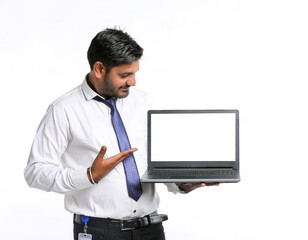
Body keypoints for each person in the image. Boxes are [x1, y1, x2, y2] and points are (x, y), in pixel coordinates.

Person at [24, 28, 216, 240]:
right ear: (99, 69)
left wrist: (181, 183)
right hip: (98, 232)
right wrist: (89, 175)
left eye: (134, 73)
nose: (132, 82)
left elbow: (152, 161)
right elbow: (35, 172)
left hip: (150, 229)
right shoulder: (63, 110)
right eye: (124, 75)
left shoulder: (143, 102)